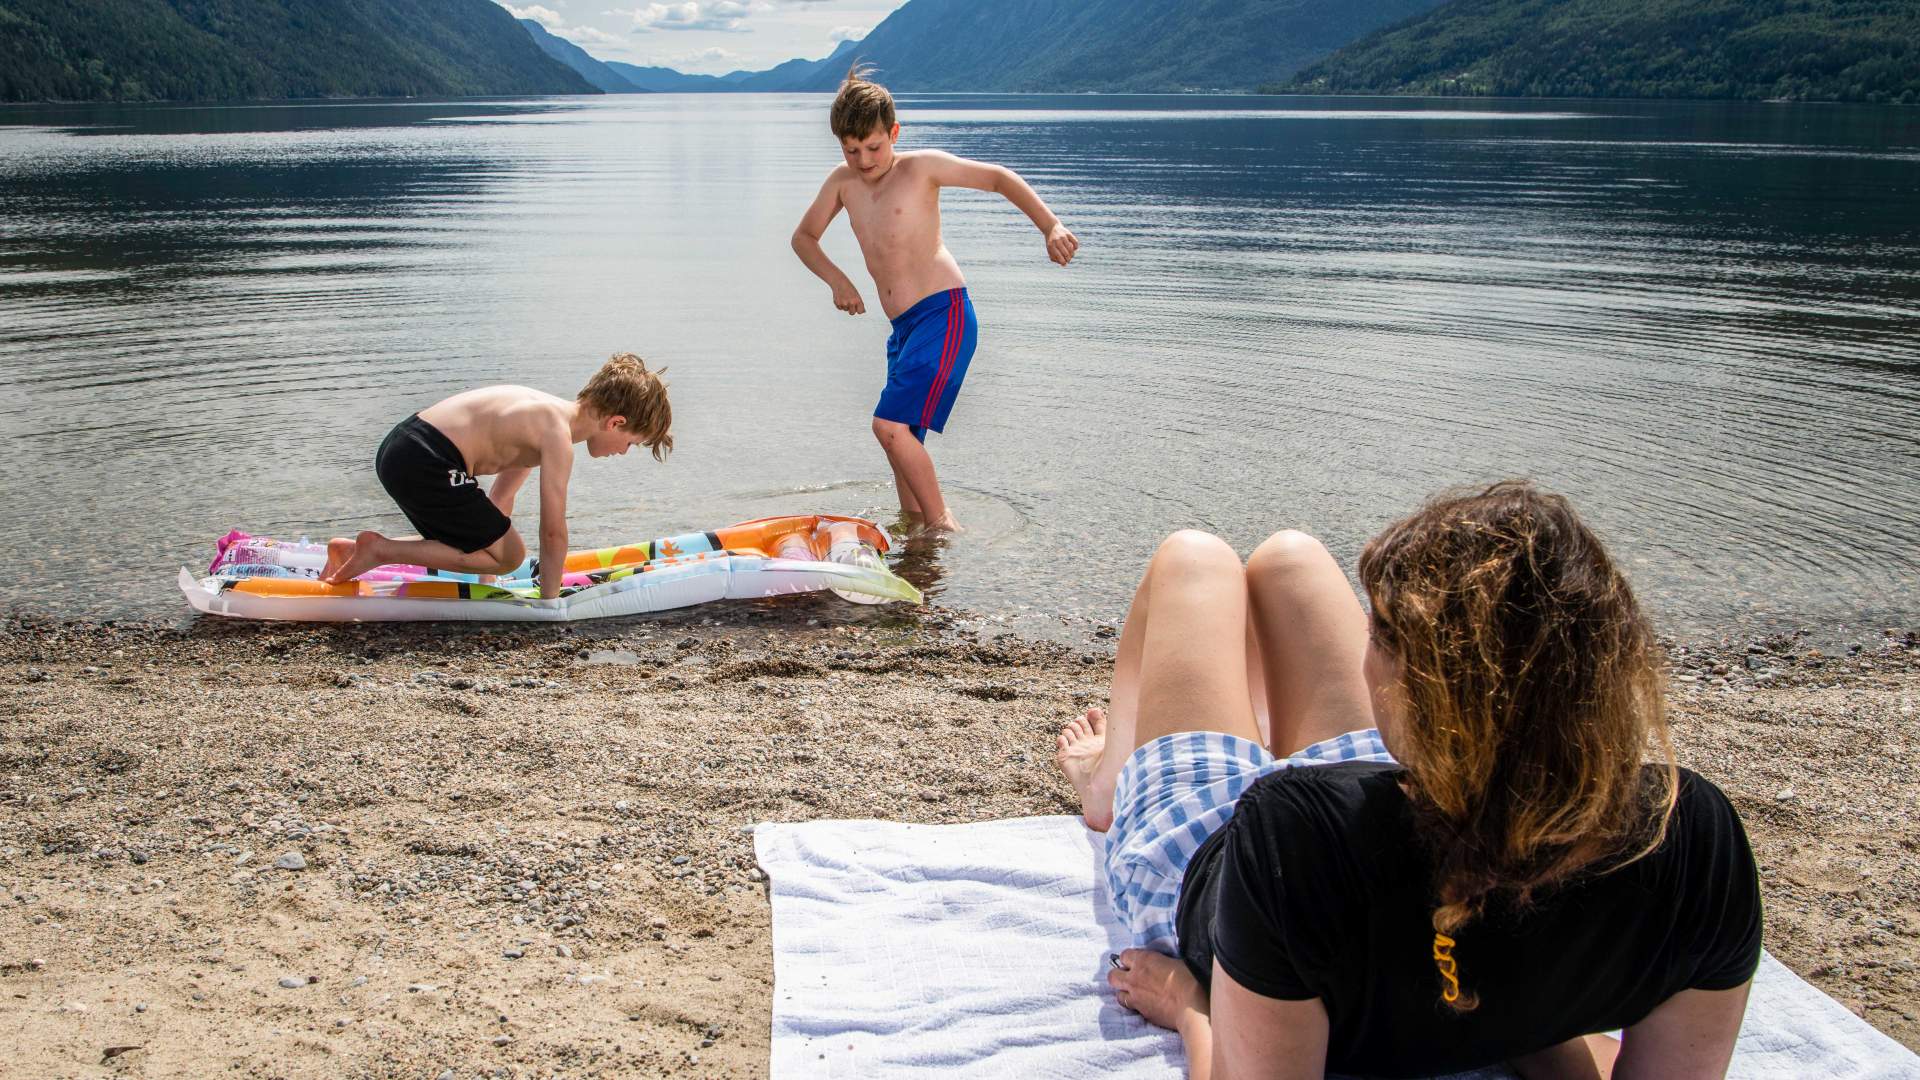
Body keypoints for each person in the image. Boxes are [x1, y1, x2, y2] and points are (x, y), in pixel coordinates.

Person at [1054, 482, 1761, 1079]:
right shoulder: (1691, 832)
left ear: (1431, 698)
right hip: (1410, 787)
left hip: (1209, 850)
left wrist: (1186, 1004)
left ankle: (1111, 786)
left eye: (1381, 633)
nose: (1366, 645)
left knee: (1193, 557)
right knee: (1290, 557)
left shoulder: (1292, 832)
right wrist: (1535, 1033)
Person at [790, 65, 1078, 533]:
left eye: (874, 147)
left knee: (888, 426)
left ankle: (944, 526)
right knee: (901, 440)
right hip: (903, 330)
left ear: (894, 132)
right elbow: (804, 238)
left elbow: (999, 178)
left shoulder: (921, 169)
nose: (864, 160)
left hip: (944, 316)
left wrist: (1051, 226)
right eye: (852, 149)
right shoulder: (842, 183)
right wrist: (837, 281)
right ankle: (917, 537)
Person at [319, 353, 672, 600]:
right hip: (426, 458)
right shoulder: (557, 438)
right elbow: (552, 532)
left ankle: (349, 551)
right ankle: (379, 550)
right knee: (512, 555)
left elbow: (499, 505)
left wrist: (486, 584)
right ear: (616, 423)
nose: (622, 452)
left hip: (402, 448)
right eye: (630, 444)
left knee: (491, 546)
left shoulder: (544, 416)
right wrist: (550, 603)